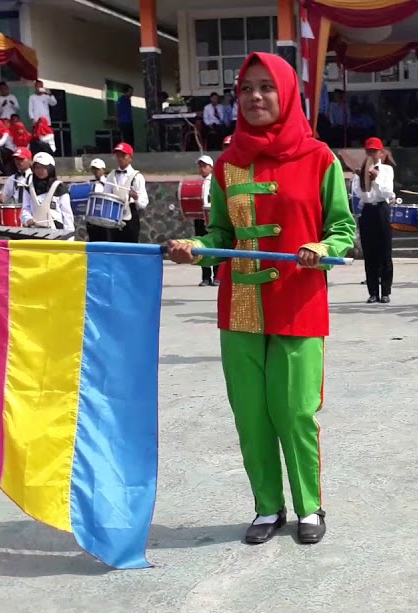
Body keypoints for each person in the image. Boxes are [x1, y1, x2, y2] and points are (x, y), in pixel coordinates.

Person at [165, 52, 356, 545]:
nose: (254, 97)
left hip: (298, 302)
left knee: (293, 410)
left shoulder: (320, 159)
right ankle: (267, 507)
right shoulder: (228, 165)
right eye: (246, 88)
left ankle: (309, 507)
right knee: (250, 412)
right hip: (241, 308)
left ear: (288, 93)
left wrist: (322, 247)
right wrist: (196, 249)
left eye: (266, 87)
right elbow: (219, 235)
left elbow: (341, 228)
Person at [352, 137, 396, 303]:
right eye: (369, 151)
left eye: (375, 151)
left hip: (382, 209)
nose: (372, 154)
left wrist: (375, 180)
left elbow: (387, 193)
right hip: (368, 210)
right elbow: (361, 195)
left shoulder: (386, 170)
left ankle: (385, 291)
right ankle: (372, 292)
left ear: (381, 153)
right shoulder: (360, 171)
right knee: (370, 253)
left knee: (385, 251)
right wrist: (365, 179)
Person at [19, 152, 74, 232]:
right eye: (37, 167)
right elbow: (25, 209)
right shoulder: (29, 188)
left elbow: (67, 214)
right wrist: (28, 219)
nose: (40, 171)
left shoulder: (60, 188)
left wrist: (69, 236)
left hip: (57, 231)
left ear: (50, 169)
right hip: (35, 230)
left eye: (43, 167)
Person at [107, 142, 147, 243]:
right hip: (114, 217)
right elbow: (106, 194)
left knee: (131, 247)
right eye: (118, 155)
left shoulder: (137, 177)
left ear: (130, 158)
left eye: (123, 155)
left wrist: (136, 197)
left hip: (130, 216)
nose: (120, 158)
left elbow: (144, 202)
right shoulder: (111, 176)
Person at [194, 155, 219, 286]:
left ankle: (217, 276)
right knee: (201, 247)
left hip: (212, 217)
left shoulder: (216, 182)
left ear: (211, 168)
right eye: (200, 166)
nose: (202, 169)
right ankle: (205, 277)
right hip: (200, 218)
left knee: (214, 246)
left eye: (204, 166)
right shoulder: (197, 184)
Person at [84, 157, 112, 243]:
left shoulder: (109, 183)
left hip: (104, 219)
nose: (96, 171)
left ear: (103, 170)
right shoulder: (89, 183)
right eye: (93, 169)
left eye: (97, 169)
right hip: (92, 219)